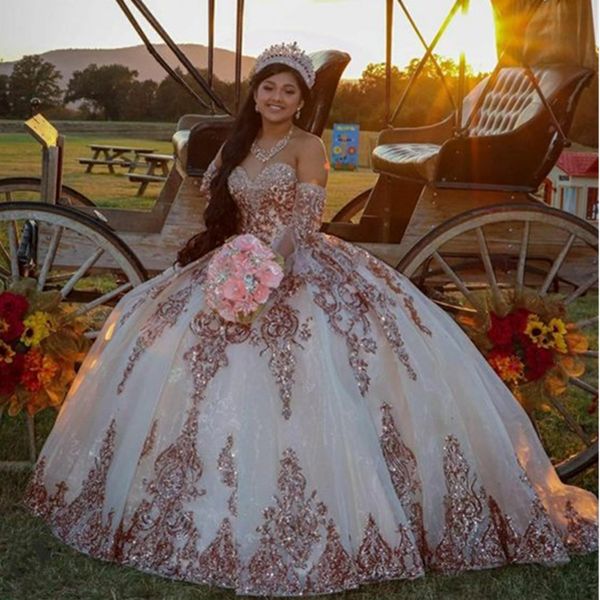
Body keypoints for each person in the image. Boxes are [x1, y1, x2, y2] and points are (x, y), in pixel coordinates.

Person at [24, 42, 597, 596]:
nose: (276, 97)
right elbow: (220, 206)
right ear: (255, 94)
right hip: (236, 263)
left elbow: (299, 228)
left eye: (288, 91)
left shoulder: (309, 149)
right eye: (267, 87)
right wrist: (230, 265)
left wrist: (262, 275)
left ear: (302, 100)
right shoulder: (236, 142)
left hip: (290, 265)